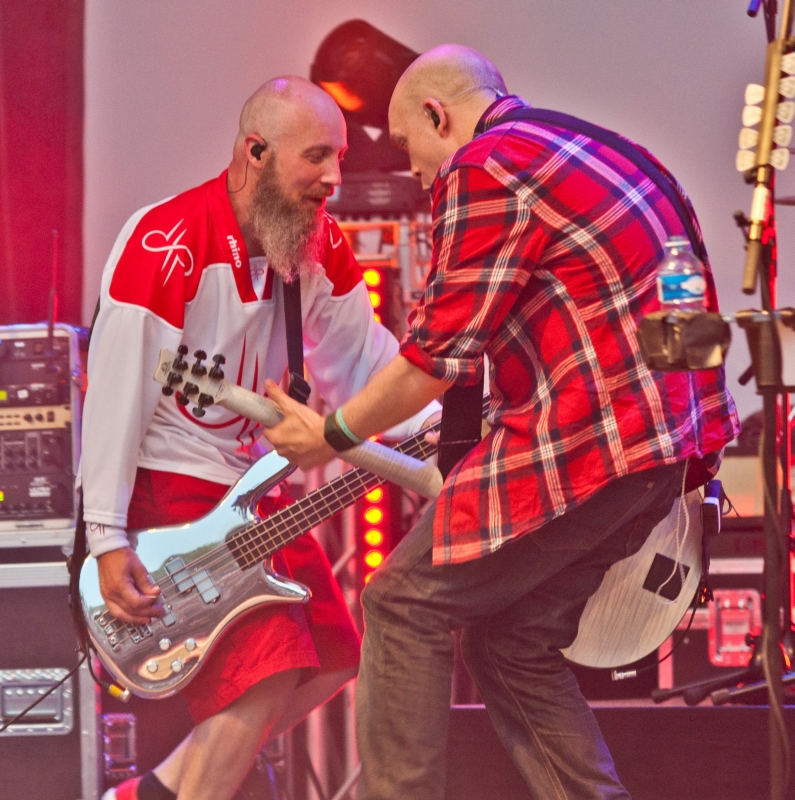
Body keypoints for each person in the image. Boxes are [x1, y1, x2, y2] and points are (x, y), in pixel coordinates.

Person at [261, 45, 740, 800]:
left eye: (409, 145)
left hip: (594, 445)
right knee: (510, 644)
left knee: (401, 603)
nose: (416, 173)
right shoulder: (608, 148)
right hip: (664, 451)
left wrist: (332, 434)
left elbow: (435, 357)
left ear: (438, 115)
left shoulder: (484, 165)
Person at [81, 76, 439, 800]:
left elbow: (364, 367)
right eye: (317, 157)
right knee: (268, 672)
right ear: (255, 152)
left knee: (335, 658)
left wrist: (446, 427)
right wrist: (106, 535)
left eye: (339, 157)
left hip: (244, 486)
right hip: (164, 486)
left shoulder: (318, 245)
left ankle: (151, 793)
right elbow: (115, 386)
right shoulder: (164, 239)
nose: (335, 179)